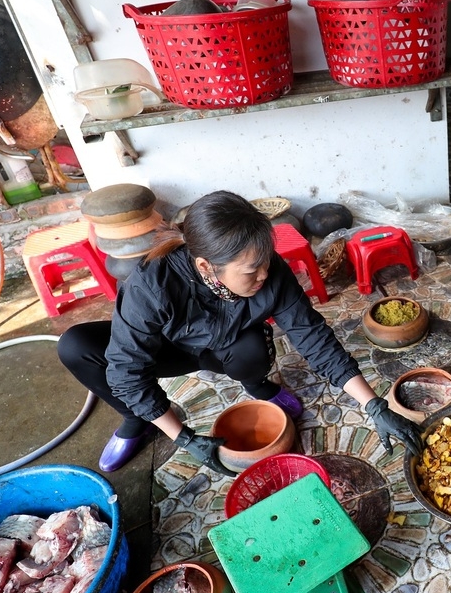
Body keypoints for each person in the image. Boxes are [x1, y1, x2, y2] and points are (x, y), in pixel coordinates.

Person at [58, 190, 422, 474]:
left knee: (253, 350)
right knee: (76, 346)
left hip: (225, 346)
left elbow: (312, 336)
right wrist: (184, 439)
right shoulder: (150, 286)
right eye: (251, 271)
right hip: (164, 351)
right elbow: (127, 369)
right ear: (206, 266)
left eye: (266, 262)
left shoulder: (267, 269)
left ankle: (258, 385)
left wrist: (374, 404)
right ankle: (136, 419)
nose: (263, 275)